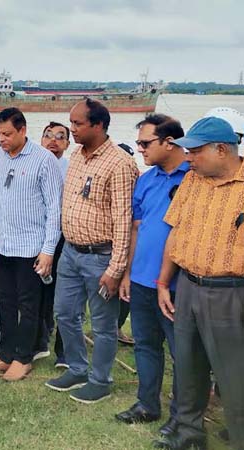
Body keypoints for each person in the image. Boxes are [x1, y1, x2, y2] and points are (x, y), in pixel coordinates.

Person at [153, 117, 244, 450]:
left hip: (231, 294)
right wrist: (164, 282)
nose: (188, 157)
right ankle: (189, 433)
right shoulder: (193, 181)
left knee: (234, 374)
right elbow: (175, 232)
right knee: (188, 367)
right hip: (188, 286)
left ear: (221, 149)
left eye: (194, 150)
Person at [46, 98, 138, 404]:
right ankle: (76, 368)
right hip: (71, 252)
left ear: (98, 125)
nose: (70, 130)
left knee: (102, 324)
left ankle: (100, 380)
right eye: (70, 123)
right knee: (65, 313)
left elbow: (124, 221)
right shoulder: (77, 155)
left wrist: (115, 269)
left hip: (101, 256)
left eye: (77, 124)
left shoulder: (120, 164)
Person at [114, 114, 186, 438]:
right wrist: (128, 273)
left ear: (169, 142)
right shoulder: (146, 180)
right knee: (145, 345)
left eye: (145, 143)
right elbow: (136, 228)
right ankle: (146, 404)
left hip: (177, 285)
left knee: (182, 352)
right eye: (139, 143)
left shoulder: (193, 179)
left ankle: (182, 416)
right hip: (142, 280)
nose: (140, 149)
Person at [0, 108, 62, 382]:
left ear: (23, 130)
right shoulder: (0, 157)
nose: (2, 139)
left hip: (32, 247)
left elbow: (54, 208)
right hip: (3, 243)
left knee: (28, 305)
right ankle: (5, 353)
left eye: (7, 134)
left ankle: (23, 357)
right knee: (5, 300)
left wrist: (48, 249)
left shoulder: (44, 160)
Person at [36, 121, 71, 368]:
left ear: (67, 144)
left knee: (66, 299)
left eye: (60, 136)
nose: (53, 140)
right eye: (48, 135)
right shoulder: (34, 164)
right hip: (37, 239)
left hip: (65, 240)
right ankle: (39, 341)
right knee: (38, 295)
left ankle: (65, 352)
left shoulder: (71, 169)